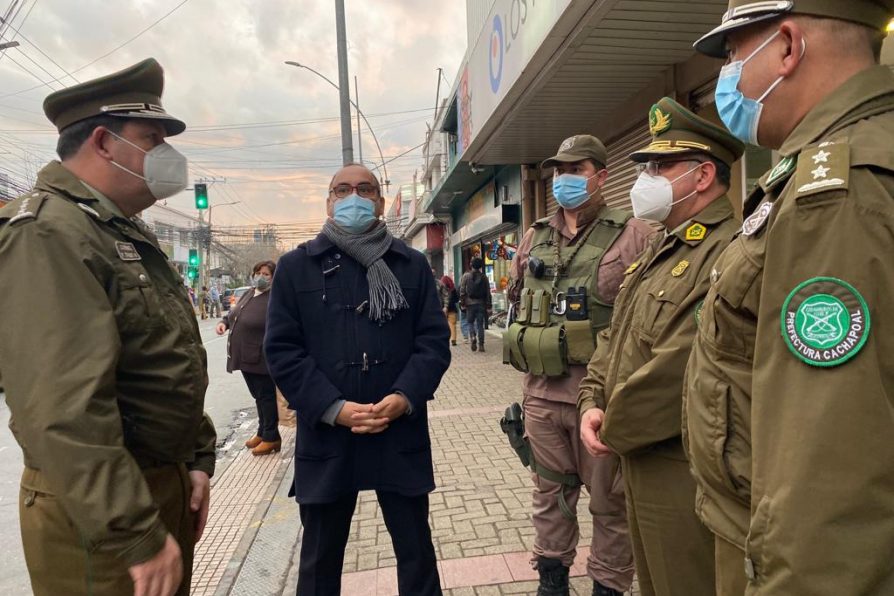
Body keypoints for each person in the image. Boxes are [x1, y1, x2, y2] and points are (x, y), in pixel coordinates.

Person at [686, 3, 894, 594]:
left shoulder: (836, 191)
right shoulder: (840, 160)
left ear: (786, 47)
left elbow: (828, 467)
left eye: (731, 55)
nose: (727, 77)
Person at [0, 58, 216, 596]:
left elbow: (164, 361)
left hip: (152, 486)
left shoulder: (118, 233)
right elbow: (62, 408)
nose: (167, 155)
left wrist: (194, 458)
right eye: (152, 138)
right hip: (99, 516)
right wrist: (135, 532)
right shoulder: (48, 233)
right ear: (102, 142)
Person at [577, 98, 745, 596]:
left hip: (682, 464)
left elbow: (683, 364)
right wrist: (590, 400)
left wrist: (613, 424)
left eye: (660, 165)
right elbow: (615, 336)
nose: (646, 178)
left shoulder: (726, 248)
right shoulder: (662, 245)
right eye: (647, 165)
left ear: (702, 175)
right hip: (637, 455)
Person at [264, 163, 451, 595]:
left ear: (380, 202)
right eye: (342, 189)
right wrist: (333, 408)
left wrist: (405, 396)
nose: (353, 197)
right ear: (328, 202)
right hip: (328, 434)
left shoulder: (411, 264)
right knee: (318, 561)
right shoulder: (296, 267)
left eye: (364, 189)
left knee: (416, 552)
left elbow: (433, 342)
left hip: (397, 428)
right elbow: (282, 350)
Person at [506, 134, 653, 596]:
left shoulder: (636, 233)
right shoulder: (534, 237)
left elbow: (650, 316)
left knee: (610, 503)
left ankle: (608, 586)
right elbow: (515, 297)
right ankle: (552, 583)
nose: (565, 179)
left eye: (577, 170)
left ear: (602, 176)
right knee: (549, 495)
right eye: (559, 171)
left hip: (603, 395)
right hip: (542, 394)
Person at [216, 260, 281, 456]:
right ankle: (262, 432)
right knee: (258, 396)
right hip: (245, 356)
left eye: (266, 274)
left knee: (266, 396)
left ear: (273, 277)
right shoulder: (250, 293)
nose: (261, 277)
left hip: (261, 356)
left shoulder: (275, 298)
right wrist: (224, 323)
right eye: (258, 273)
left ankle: (272, 437)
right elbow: (233, 314)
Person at [459, 257, 491, 352]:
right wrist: (489, 305)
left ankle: (472, 336)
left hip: (470, 304)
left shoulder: (466, 276)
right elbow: (488, 292)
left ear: (471, 265)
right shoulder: (484, 277)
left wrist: (462, 302)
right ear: (480, 266)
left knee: (470, 322)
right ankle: (481, 345)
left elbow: (462, 290)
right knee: (480, 324)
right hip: (481, 304)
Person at [441, 275, 460, 346]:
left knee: (444, 325)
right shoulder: (453, 289)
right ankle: (453, 339)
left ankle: (444, 339)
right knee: (452, 325)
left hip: (443, 309)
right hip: (452, 309)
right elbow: (456, 299)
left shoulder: (441, 287)